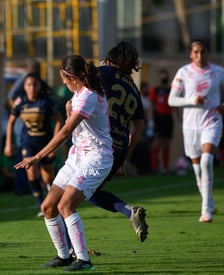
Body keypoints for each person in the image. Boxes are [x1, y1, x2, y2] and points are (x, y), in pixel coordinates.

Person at [15, 55, 113, 271]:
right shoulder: (78, 95)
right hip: (77, 157)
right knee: (48, 207)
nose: (63, 83)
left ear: (72, 77)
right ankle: (63, 255)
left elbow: (66, 131)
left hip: (96, 157)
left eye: (64, 78)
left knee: (65, 206)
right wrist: (69, 111)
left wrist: (37, 157)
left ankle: (84, 260)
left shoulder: (88, 96)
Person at [168, 39, 224, 223]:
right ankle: (210, 202)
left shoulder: (218, 72)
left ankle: (205, 210)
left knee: (207, 161)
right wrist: (191, 101)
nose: (200, 55)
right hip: (190, 125)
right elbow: (172, 100)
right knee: (198, 169)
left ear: (208, 52)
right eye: (196, 52)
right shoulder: (183, 73)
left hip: (212, 121)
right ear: (191, 54)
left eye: (203, 51)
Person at [88, 41, 148, 242]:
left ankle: (72, 253)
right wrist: (124, 156)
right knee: (91, 192)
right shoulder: (133, 88)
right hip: (119, 147)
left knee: (65, 197)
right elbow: (139, 127)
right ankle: (128, 212)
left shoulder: (101, 72)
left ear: (108, 59)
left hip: (96, 143)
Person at [4, 72, 63, 216]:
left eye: (35, 84)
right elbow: (11, 122)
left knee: (47, 178)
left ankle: (53, 199)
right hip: (28, 143)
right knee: (31, 173)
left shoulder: (46, 101)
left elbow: (59, 121)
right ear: (24, 87)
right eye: (29, 85)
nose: (32, 88)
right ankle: (42, 206)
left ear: (39, 86)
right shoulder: (20, 102)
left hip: (45, 143)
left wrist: (54, 144)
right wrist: (8, 144)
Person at [148, 68, 177, 174]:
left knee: (167, 144)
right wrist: (151, 120)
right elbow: (151, 105)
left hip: (168, 118)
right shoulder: (155, 90)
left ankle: (165, 167)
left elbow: (175, 106)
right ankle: (154, 167)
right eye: (162, 75)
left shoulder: (171, 90)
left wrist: (179, 119)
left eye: (165, 75)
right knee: (156, 143)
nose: (164, 77)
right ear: (159, 77)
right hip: (158, 118)